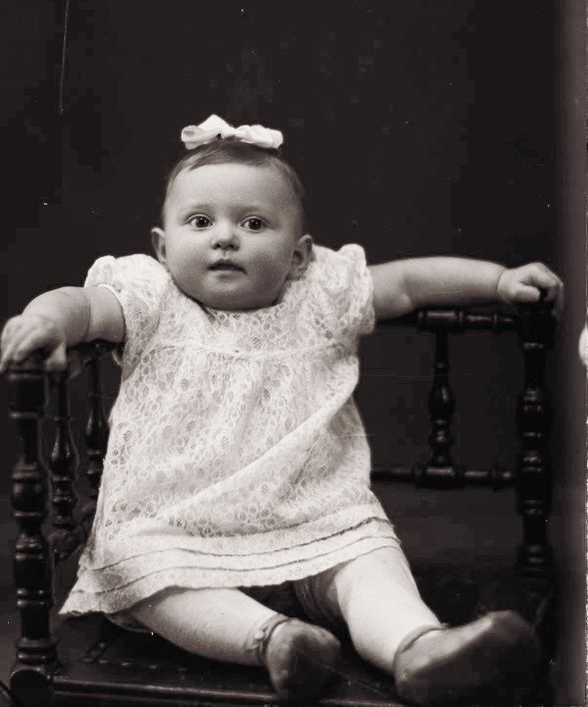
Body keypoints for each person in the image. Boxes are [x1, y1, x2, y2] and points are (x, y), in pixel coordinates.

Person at [1, 115, 563, 704]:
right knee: (130, 561)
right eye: (200, 221)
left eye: (253, 223)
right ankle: (274, 640)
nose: (225, 238)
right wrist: (47, 320)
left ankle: (419, 647)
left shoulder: (317, 294)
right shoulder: (152, 298)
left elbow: (408, 284)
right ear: (163, 249)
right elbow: (83, 305)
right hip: (177, 534)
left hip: (313, 525)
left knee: (367, 556)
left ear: (299, 256)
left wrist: (499, 281)